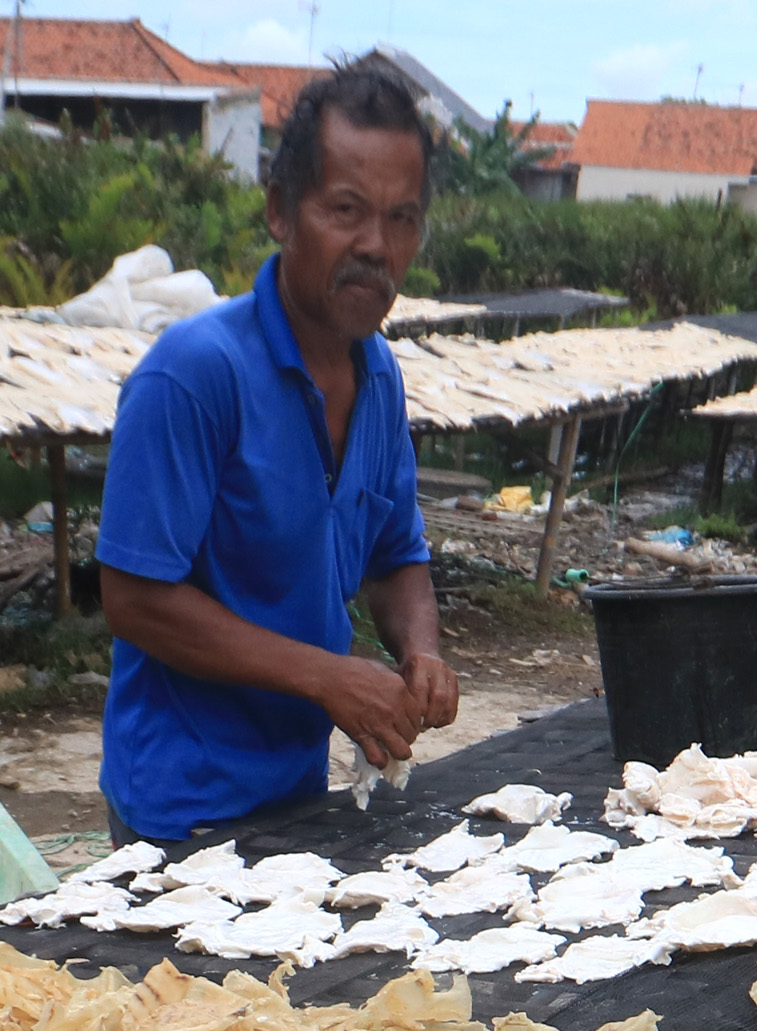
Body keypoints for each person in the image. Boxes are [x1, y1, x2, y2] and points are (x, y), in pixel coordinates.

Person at [91, 58, 461, 847]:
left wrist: (420, 650)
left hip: (297, 797)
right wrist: (330, 677)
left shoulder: (381, 376)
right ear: (280, 212)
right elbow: (133, 597)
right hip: (177, 810)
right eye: (346, 209)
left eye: (402, 218)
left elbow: (396, 554)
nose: (376, 245)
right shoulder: (192, 374)